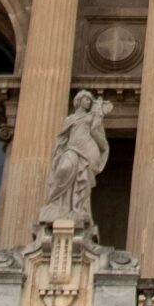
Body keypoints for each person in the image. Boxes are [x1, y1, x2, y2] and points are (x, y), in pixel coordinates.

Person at [38, 90, 112, 238]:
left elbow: (97, 132)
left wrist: (98, 114)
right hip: (72, 148)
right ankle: (55, 203)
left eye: (90, 100)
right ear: (78, 101)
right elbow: (62, 138)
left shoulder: (91, 116)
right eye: (86, 99)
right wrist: (57, 154)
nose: (88, 102)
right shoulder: (70, 119)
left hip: (87, 148)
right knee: (63, 169)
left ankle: (77, 209)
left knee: (82, 180)